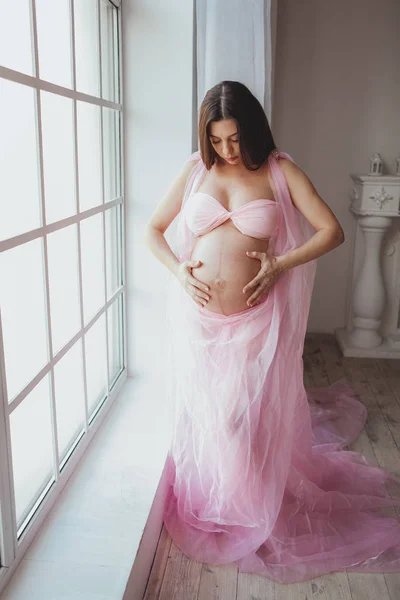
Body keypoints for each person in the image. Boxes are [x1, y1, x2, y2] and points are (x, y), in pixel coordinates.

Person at [144, 80, 400, 584]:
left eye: (235, 139)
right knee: (209, 414)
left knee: (236, 416)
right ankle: (222, 500)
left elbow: (332, 230)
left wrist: (281, 263)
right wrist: (179, 272)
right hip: (197, 320)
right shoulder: (196, 170)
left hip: (254, 321)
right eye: (217, 140)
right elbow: (153, 229)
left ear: (253, 129)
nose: (226, 150)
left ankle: (250, 510)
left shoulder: (279, 170)